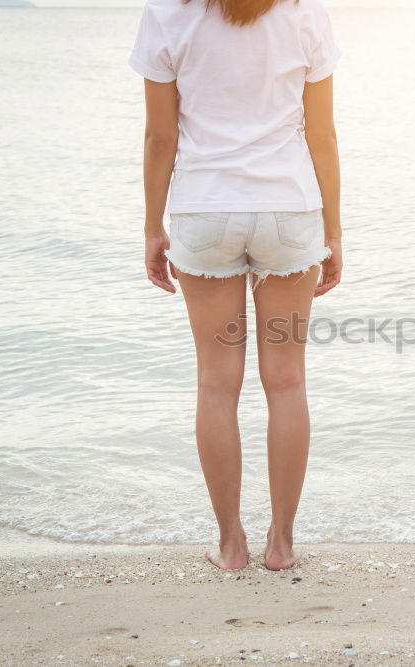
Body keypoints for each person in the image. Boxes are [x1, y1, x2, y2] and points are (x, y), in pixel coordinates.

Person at [128, 0, 342, 571]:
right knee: (288, 383)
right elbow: (321, 135)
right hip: (288, 210)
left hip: (206, 211)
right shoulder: (304, 13)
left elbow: (159, 138)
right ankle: (283, 544)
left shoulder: (168, 14)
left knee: (218, 387)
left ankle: (230, 545)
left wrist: (153, 226)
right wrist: (334, 231)